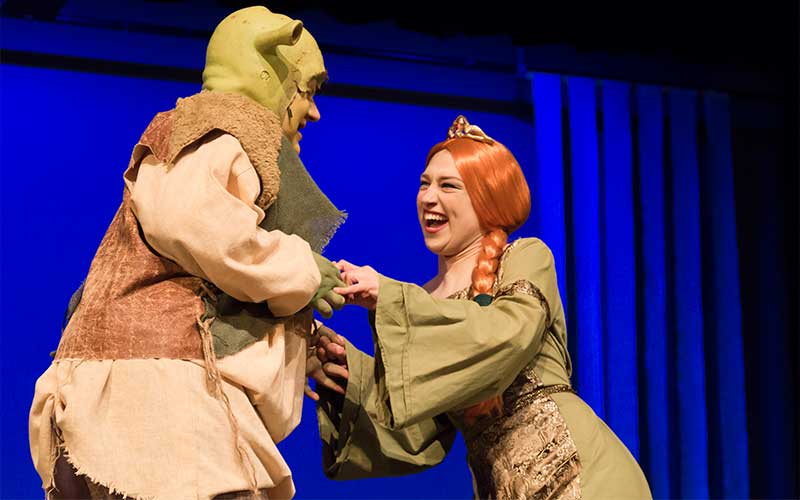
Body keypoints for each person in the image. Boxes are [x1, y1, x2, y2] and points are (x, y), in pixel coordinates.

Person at [29, 6, 346, 500]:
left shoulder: (204, 138)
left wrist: (295, 340)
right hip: (156, 404)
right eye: (307, 90)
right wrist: (301, 269)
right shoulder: (221, 128)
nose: (314, 110)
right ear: (270, 73)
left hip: (133, 396)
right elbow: (193, 220)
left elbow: (206, 276)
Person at [310, 115, 652, 499]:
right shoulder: (424, 299)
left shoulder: (525, 257)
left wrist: (390, 295)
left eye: (448, 186)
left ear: (485, 198)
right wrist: (344, 371)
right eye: (424, 184)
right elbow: (417, 433)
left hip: (577, 475)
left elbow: (507, 335)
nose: (428, 197)